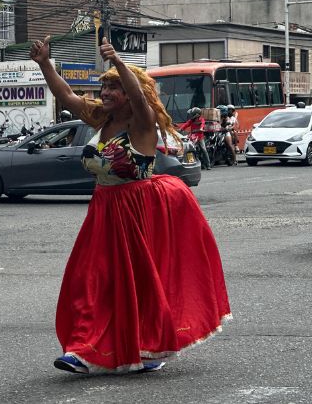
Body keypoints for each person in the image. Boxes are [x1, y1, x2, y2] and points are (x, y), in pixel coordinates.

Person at [30, 35, 231, 374]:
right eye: (104, 88)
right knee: (90, 280)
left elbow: (140, 98)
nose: (106, 93)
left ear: (128, 93)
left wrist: (119, 62)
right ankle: (82, 350)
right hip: (104, 210)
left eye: (114, 89)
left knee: (138, 285)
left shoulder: (142, 123)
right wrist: (44, 64)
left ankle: (147, 348)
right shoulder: (102, 120)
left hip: (137, 213)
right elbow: (65, 95)